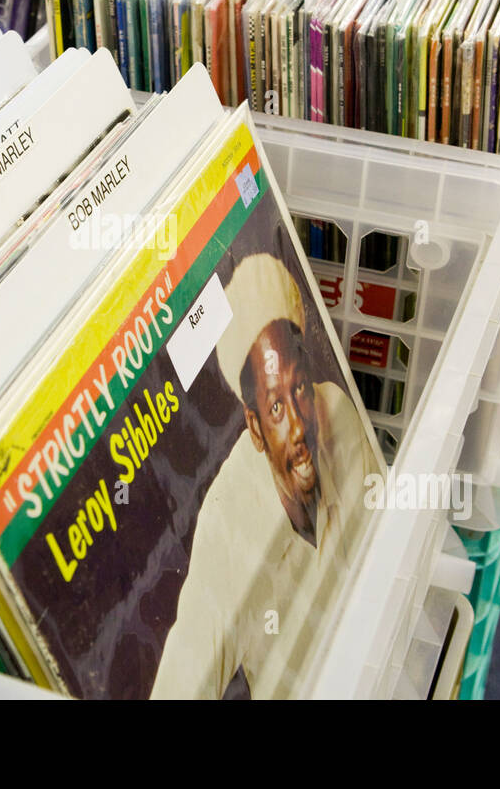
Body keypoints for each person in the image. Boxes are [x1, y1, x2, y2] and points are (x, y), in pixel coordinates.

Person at [150, 253, 384, 699]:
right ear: (255, 429)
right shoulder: (228, 518)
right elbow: (182, 679)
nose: (298, 425)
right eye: (276, 407)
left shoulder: (334, 410)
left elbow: (385, 546)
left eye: (300, 389)